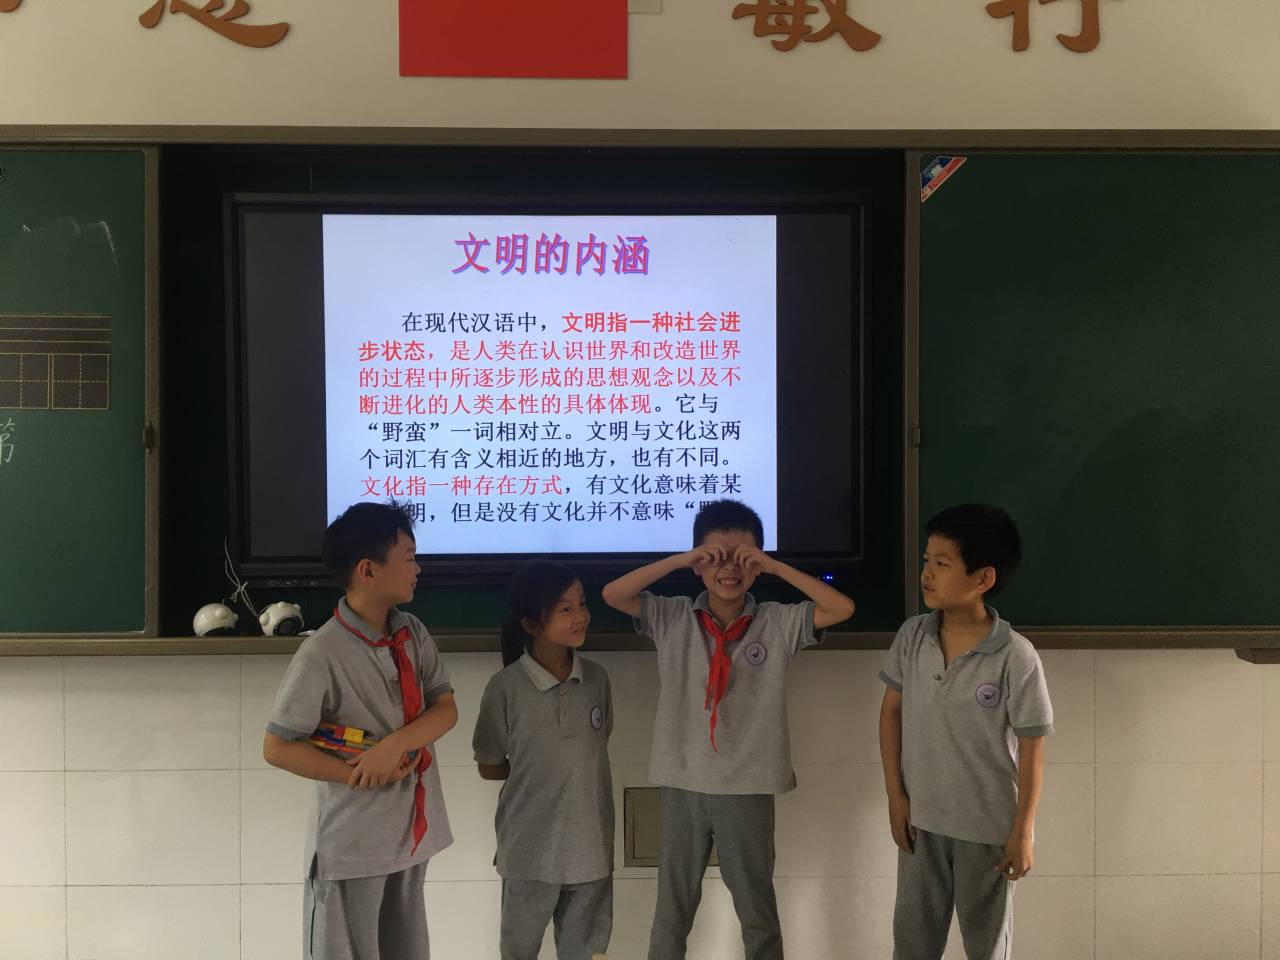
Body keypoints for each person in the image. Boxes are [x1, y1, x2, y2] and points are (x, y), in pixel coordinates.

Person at [602, 498, 856, 960]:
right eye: (716, 557)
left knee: (756, 909)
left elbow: (841, 607)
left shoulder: (777, 622)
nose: (729, 569)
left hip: (748, 786)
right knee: (673, 909)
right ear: (699, 563)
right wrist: (680, 559)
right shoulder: (673, 616)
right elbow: (613, 595)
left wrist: (776, 567)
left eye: (743, 558)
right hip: (682, 782)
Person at [263, 500, 457, 960]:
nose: (417, 569)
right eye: (409, 558)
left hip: (409, 836)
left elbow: (445, 709)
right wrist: (355, 772)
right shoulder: (322, 653)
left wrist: (394, 746)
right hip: (351, 848)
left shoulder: (412, 632)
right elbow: (277, 747)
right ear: (368, 570)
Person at [879, 503, 1052, 960]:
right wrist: (895, 795)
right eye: (926, 560)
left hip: (987, 829)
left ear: (983, 579)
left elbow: (1032, 747)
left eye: (942, 563)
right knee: (913, 943)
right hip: (921, 823)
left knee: (986, 947)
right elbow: (890, 713)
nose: (927, 574)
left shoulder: (1015, 656)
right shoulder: (912, 637)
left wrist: (1023, 831)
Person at [473, 560, 615, 960]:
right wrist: (536, 772)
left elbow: (593, 748)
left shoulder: (597, 679)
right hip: (528, 853)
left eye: (582, 604)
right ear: (531, 624)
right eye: (565, 608)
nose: (580, 616)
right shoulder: (505, 687)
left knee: (589, 952)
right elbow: (489, 764)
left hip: (591, 852)